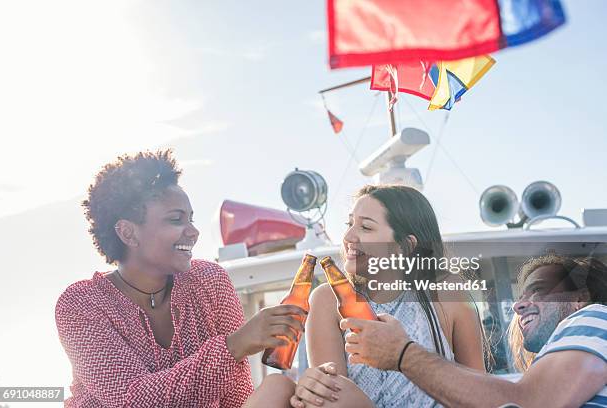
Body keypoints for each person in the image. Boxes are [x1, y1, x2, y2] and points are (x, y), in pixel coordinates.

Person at [55, 150, 306, 407]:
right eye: (176, 220)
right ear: (128, 233)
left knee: (278, 388)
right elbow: (134, 400)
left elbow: (236, 395)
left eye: (191, 219)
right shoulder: (80, 304)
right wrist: (235, 345)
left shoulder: (210, 281)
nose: (194, 232)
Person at [247, 184, 486, 408]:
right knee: (277, 386)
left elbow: (480, 393)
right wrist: (313, 386)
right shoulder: (327, 299)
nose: (349, 236)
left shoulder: (446, 294)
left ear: (405, 246)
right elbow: (331, 393)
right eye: (349, 224)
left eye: (366, 227)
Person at [341, 254, 607, 408]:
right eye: (520, 295)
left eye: (538, 290)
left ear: (579, 298)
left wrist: (402, 354)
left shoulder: (596, 316)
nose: (518, 305)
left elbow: (527, 403)